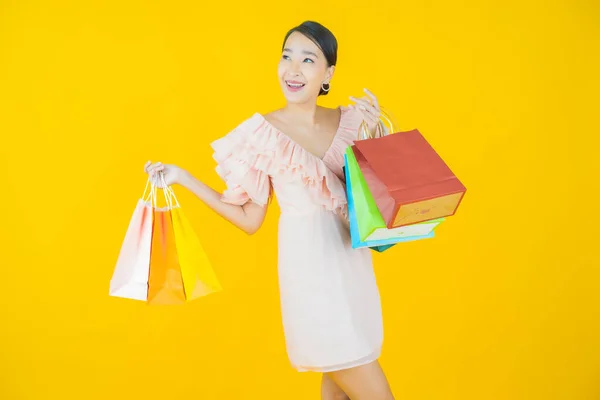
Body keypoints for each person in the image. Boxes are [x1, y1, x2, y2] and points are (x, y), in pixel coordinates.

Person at [144, 21, 395, 400]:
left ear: (328, 73)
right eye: (286, 57)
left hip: (353, 272)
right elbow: (249, 219)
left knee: (339, 390)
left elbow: (373, 203)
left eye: (308, 60)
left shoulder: (350, 122)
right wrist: (183, 177)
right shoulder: (262, 134)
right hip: (311, 279)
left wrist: (374, 136)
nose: (292, 70)